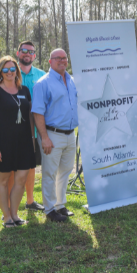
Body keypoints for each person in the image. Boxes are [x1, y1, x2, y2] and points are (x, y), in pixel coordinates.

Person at [0, 56, 36, 228]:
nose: (9, 73)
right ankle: (6, 215)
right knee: (3, 179)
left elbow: (30, 116)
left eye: (12, 69)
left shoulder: (24, 91)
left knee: (21, 178)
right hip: (3, 142)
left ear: (17, 70)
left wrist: (32, 138)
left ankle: (15, 213)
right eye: (5, 70)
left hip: (24, 141)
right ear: (0, 72)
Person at [32, 49, 78, 222]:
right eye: (57, 58)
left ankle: (60, 205)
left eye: (64, 57)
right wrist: (44, 137)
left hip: (70, 134)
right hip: (52, 134)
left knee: (65, 171)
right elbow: (37, 112)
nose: (62, 60)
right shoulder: (43, 83)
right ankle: (50, 208)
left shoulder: (72, 80)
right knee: (50, 173)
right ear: (50, 61)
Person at [7, 41, 46, 212]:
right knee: (11, 169)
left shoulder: (42, 75)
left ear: (35, 56)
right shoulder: (10, 73)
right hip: (14, 130)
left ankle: (30, 201)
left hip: (37, 130)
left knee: (31, 166)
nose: (27, 54)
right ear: (18, 53)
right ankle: (8, 206)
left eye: (31, 51)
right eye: (24, 51)